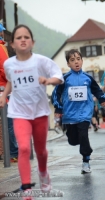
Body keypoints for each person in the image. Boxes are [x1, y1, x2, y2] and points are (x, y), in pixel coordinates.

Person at [0, 24, 64, 199]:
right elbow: (10, 81)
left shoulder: (41, 61)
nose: (22, 40)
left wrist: (48, 80)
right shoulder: (8, 64)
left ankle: (43, 172)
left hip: (40, 112)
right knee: (24, 148)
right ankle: (26, 188)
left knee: (41, 150)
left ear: (32, 42)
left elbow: (59, 76)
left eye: (26, 37)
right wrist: (4, 95)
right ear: (12, 44)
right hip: (19, 112)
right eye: (18, 38)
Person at [52, 49, 105, 174]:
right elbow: (56, 94)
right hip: (69, 114)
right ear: (68, 64)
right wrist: (58, 107)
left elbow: (97, 90)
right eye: (72, 60)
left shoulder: (88, 78)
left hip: (85, 113)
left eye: (78, 59)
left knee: (83, 134)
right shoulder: (64, 78)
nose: (76, 62)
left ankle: (86, 161)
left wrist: (102, 99)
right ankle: (82, 144)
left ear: (82, 61)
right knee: (73, 140)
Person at [0, 23, 18, 162]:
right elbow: (5, 69)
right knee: (10, 123)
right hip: (3, 90)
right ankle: (13, 153)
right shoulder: (1, 48)